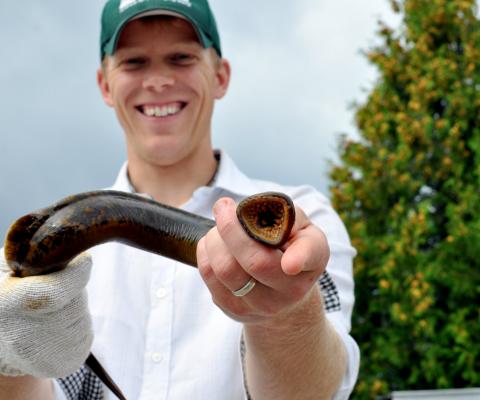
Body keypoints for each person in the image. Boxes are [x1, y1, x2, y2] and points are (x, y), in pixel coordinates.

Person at [0, 0, 360, 399]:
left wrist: (288, 312)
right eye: (134, 62)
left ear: (221, 76)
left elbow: (317, 392)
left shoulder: (307, 219)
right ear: (105, 84)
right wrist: (9, 361)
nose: (157, 80)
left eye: (181, 58)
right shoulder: (69, 259)